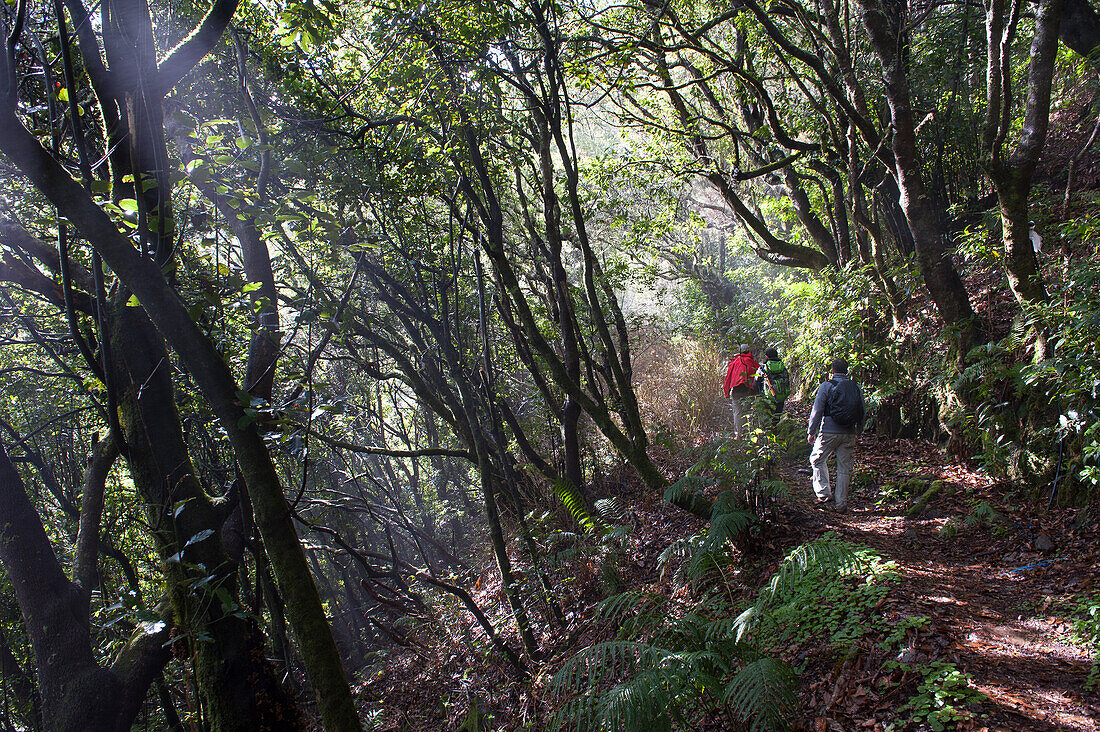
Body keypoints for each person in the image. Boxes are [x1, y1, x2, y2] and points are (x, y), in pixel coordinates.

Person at [807, 358, 865, 511]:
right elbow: (862, 410)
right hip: (849, 432)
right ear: (847, 370)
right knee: (844, 468)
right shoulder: (855, 387)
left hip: (829, 432)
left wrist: (811, 432)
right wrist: (858, 431)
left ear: (832, 370)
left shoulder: (826, 386)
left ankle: (824, 494)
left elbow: (817, 410)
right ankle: (841, 504)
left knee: (817, 459)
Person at [723, 343, 760, 438]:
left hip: (737, 390)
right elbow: (759, 376)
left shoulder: (735, 362)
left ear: (739, 351)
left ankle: (738, 434)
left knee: (737, 412)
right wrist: (758, 392)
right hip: (749, 390)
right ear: (748, 351)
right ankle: (748, 434)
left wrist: (726, 392)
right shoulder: (752, 362)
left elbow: (728, 378)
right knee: (747, 411)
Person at [755, 347, 790, 418]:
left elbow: (756, 383)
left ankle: (770, 428)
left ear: (767, 356)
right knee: (777, 415)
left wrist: (758, 394)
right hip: (781, 395)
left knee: (769, 417)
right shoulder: (783, 367)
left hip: (768, 396)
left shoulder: (763, 368)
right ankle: (778, 427)